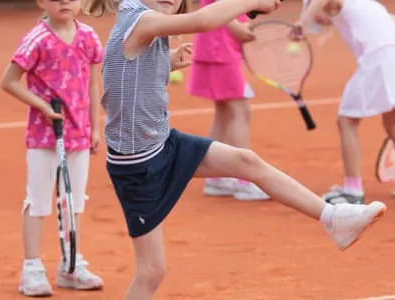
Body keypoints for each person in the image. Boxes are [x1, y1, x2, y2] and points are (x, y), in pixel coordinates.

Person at [86, 0, 387, 298]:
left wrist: (166, 62)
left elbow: (119, 72)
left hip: (163, 143)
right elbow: (204, 20)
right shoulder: (140, 20)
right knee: (152, 271)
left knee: (246, 160)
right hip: (138, 166)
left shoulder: (141, 24)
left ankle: (334, 219)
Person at [0, 0, 104, 296]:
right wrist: (42, 106)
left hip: (79, 134)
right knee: (38, 201)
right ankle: (31, 269)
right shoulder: (37, 39)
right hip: (44, 136)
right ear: (42, 2)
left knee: (73, 203)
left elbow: (93, 85)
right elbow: (8, 81)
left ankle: (71, 267)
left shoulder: (89, 37)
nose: (65, 2)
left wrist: (94, 128)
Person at [297, 0, 395, 204]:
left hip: (380, 59)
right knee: (392, 120)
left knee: (347, 121)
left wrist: (302, 22)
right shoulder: (364, 5)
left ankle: (353, 191)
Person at [187, 3, 269, 201]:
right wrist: (235, 26)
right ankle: (245, 181)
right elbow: (212, 5)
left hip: (219, 48)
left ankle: (215, 177)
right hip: (219, 49)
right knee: (240, 111)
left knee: (224, 112)